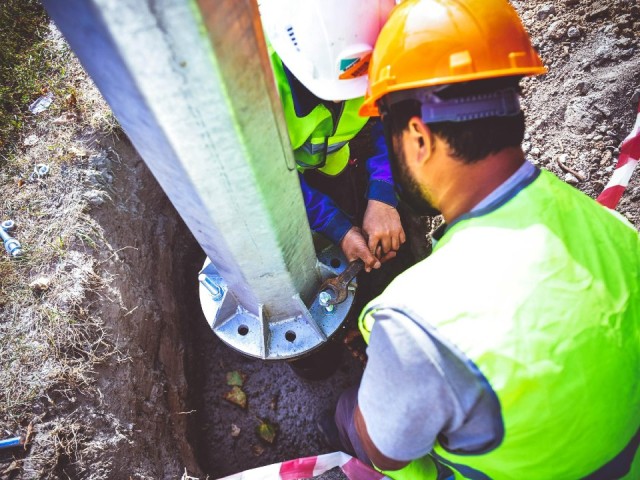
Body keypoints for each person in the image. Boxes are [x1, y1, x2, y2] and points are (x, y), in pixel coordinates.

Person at [322, 0, 640, 478]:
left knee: (350, 417)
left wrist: (380, 382)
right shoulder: (617, 234)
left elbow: (387, 454)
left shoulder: (417, 323)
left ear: (417, 138)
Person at [259, 0, 413, 274]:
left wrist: (383, 194)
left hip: (335, 161)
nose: (348, 99)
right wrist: (335, 227)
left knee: (347, 197)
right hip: (283, 182)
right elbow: (266, 179)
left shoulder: (384, 33)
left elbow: (390, 114)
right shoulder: (257, 80)